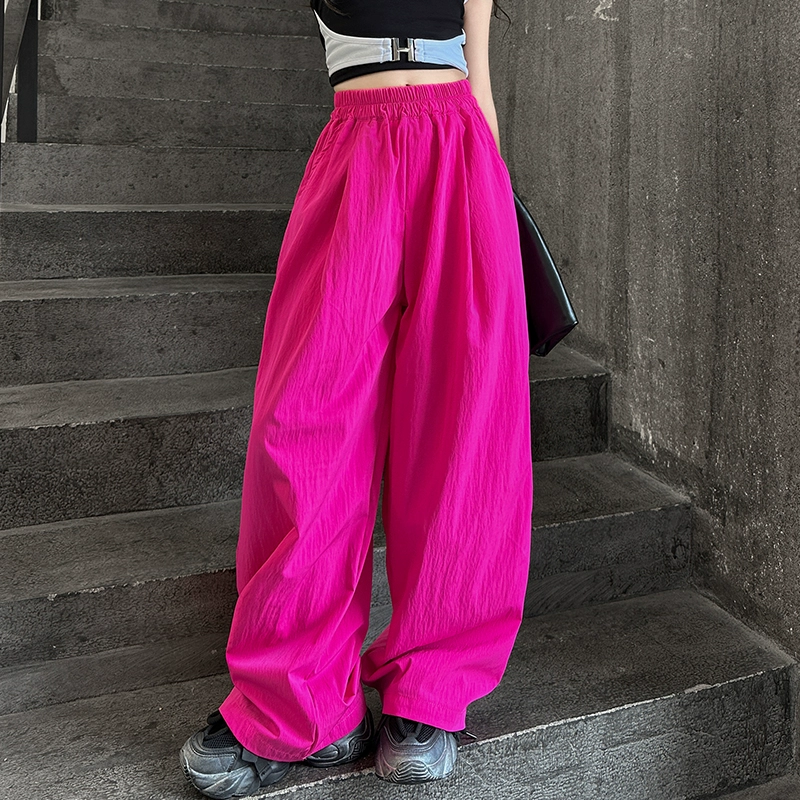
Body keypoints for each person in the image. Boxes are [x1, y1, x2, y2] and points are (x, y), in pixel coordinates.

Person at [179, 0, 533, 796]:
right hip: (355, 145)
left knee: (463, 424)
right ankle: (298, 703)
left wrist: (488, 169)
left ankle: (429, 693)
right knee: (304, 421)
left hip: (458, 142)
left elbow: (477, 55)